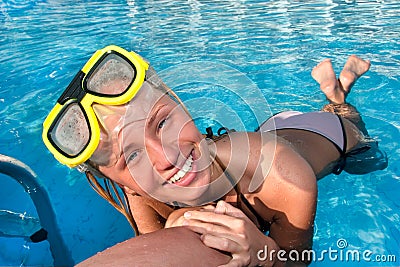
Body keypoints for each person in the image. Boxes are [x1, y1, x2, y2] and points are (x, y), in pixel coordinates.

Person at [42, 46, 387, 266]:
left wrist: (265, 256)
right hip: (268, 129)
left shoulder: (286, 177)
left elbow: (297, 262)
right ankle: (334, 85)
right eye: (131, 157)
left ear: (178, 100)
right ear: (113, 180)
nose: (165, 158)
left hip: (328, 137)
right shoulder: (139, 193)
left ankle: (339, 93)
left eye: (162, 123)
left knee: (360, 142)